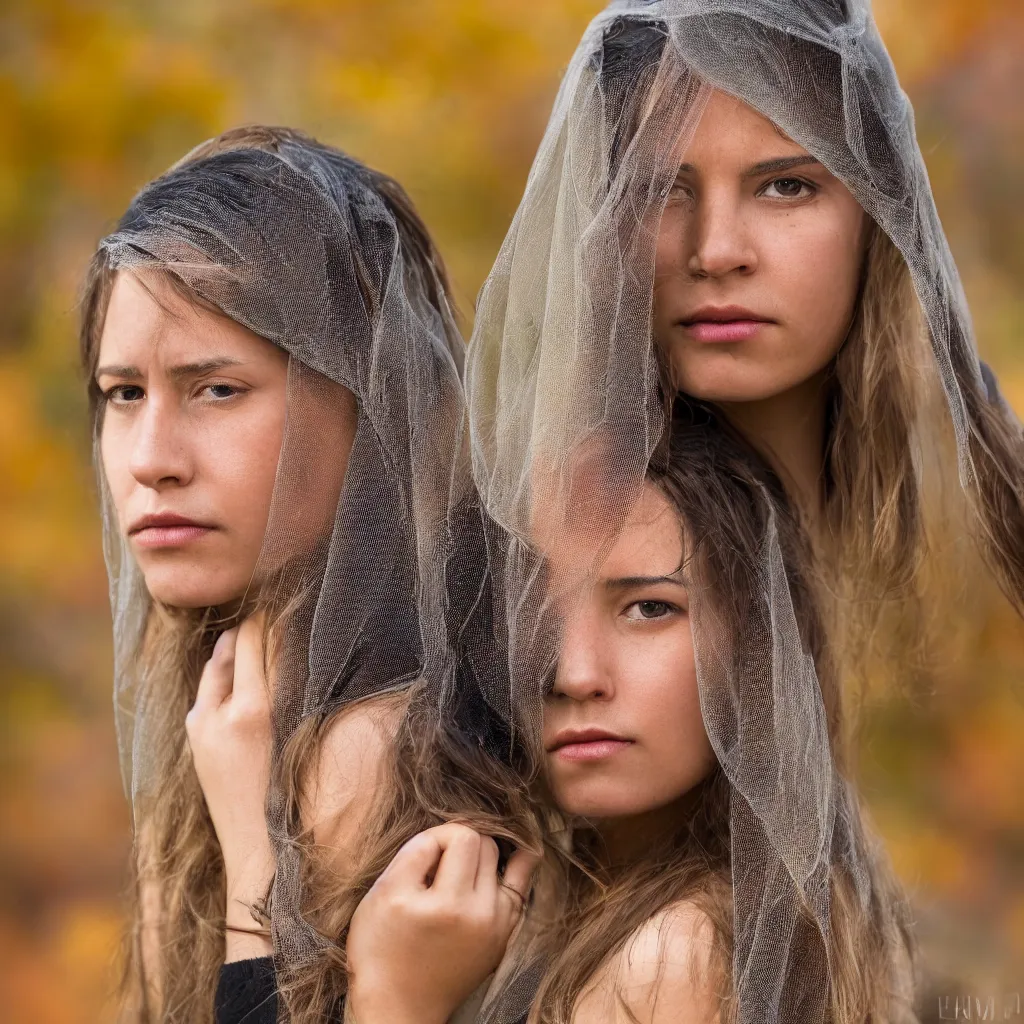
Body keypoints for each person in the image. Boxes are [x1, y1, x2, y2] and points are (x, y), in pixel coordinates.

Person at [81, 124, 530, 1023]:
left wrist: (256, 866)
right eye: (124, 393)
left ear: (367, 404)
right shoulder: (235, 713)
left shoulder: (365, 750)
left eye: (218, 389)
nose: (150, 459)